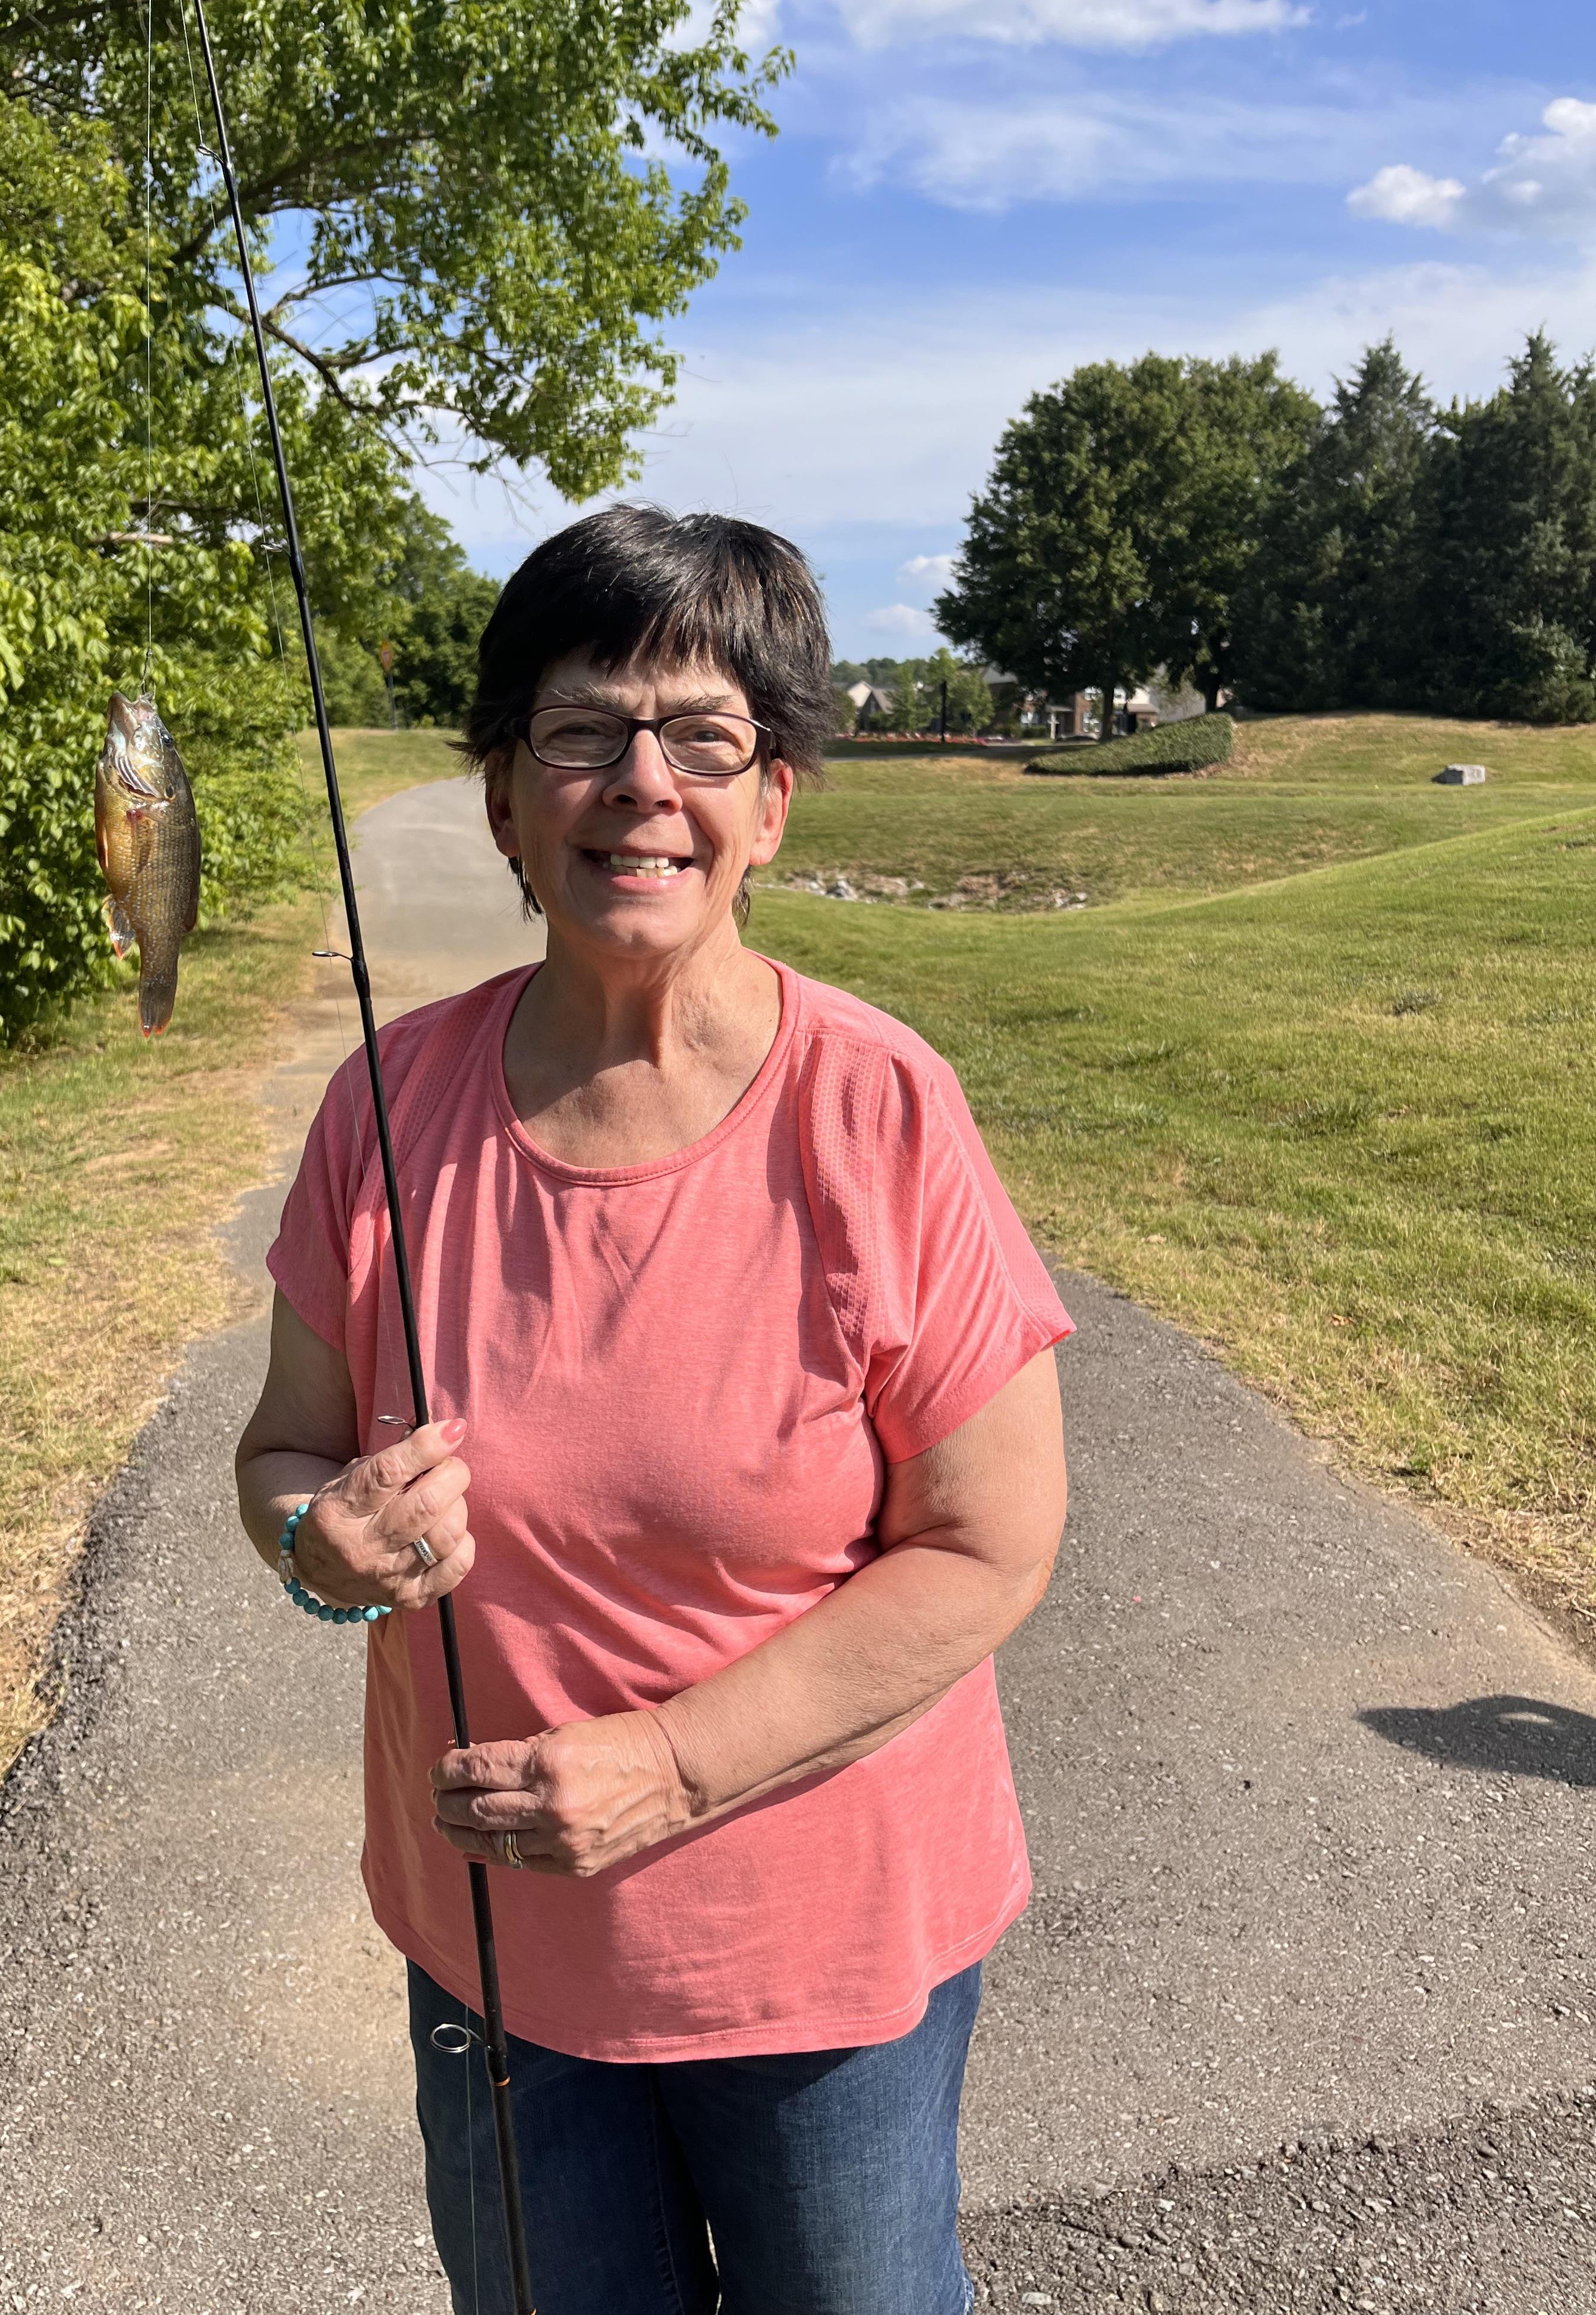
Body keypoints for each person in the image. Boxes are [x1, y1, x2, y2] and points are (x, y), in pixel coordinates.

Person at [235, 506, 1072, 2315]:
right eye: (579, 731)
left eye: (706, 738)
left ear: (773, 803)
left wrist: (673, 1767)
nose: (641, 786)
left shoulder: (881, 1112)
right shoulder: (385, 1104)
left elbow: (993, 1543)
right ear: (502, 796)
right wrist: (322, 1541)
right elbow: (284, 1456)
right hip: (494, 1960)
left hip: (825, 1967)